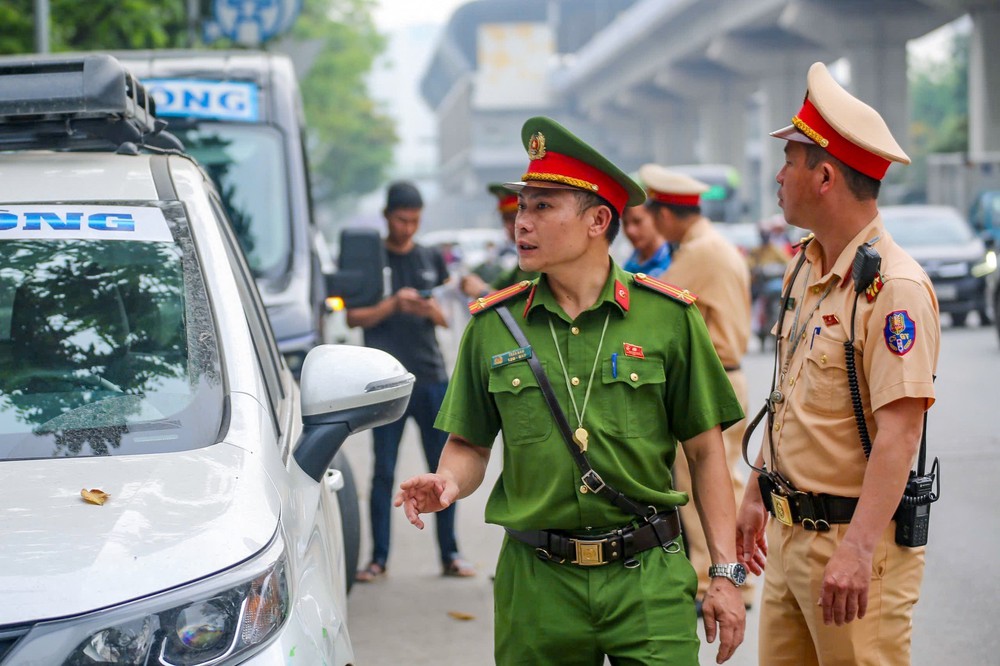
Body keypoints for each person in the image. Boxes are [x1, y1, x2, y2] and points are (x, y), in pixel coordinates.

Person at [395, 116, 748, 665]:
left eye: (543, 206)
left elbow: (705, 454)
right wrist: (446, 481)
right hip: (538, 586)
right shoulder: (494, 326)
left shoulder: (669, 318)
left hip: (647, 580)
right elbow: (470, 445)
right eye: (522, 206)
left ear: (597, 220)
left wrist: (724, 574)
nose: (522, 222)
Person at [736, 62, 941, 666]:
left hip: (855, 549)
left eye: (790, 162)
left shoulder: (894, 288)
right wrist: (755, 489)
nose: (778, 176)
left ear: (824, 176)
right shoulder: (808, 266)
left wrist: (855, 550)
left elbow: (901, 435)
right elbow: (788, 401)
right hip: (789, 537)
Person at [346, 180, 475, 582]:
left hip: (431, 377)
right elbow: (353, 318)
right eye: (402, 220)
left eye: (415, 221)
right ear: (387, 217)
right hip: (384, 381)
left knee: (443, 471)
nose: (408, 228)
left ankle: (451, 554)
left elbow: (444, 317)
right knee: (384, 472)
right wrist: (393, 304)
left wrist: (425, 309)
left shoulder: (431, 257)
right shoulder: (370, 259)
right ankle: (378, 559)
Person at [641, 164, 755, 614]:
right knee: (722, 479)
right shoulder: (710, 243)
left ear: (666, 216)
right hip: (725, 376)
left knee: (706, 486)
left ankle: (719, 581)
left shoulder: (702, 250)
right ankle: (729, 579)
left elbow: (653, 304)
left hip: (715, 379)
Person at [460, 183, 537, 298]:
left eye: (513, 218)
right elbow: (501, 284)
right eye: (505, 220)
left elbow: (524, 307)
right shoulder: (524, 258)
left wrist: (483, 293)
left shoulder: (541, 258)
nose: (510, 227)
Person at [621, 201, 672, 277]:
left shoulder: (673, 262)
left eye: (637, 221)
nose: (630, 230)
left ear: (657, 217)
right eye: (625, 223)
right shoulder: (631, 262)